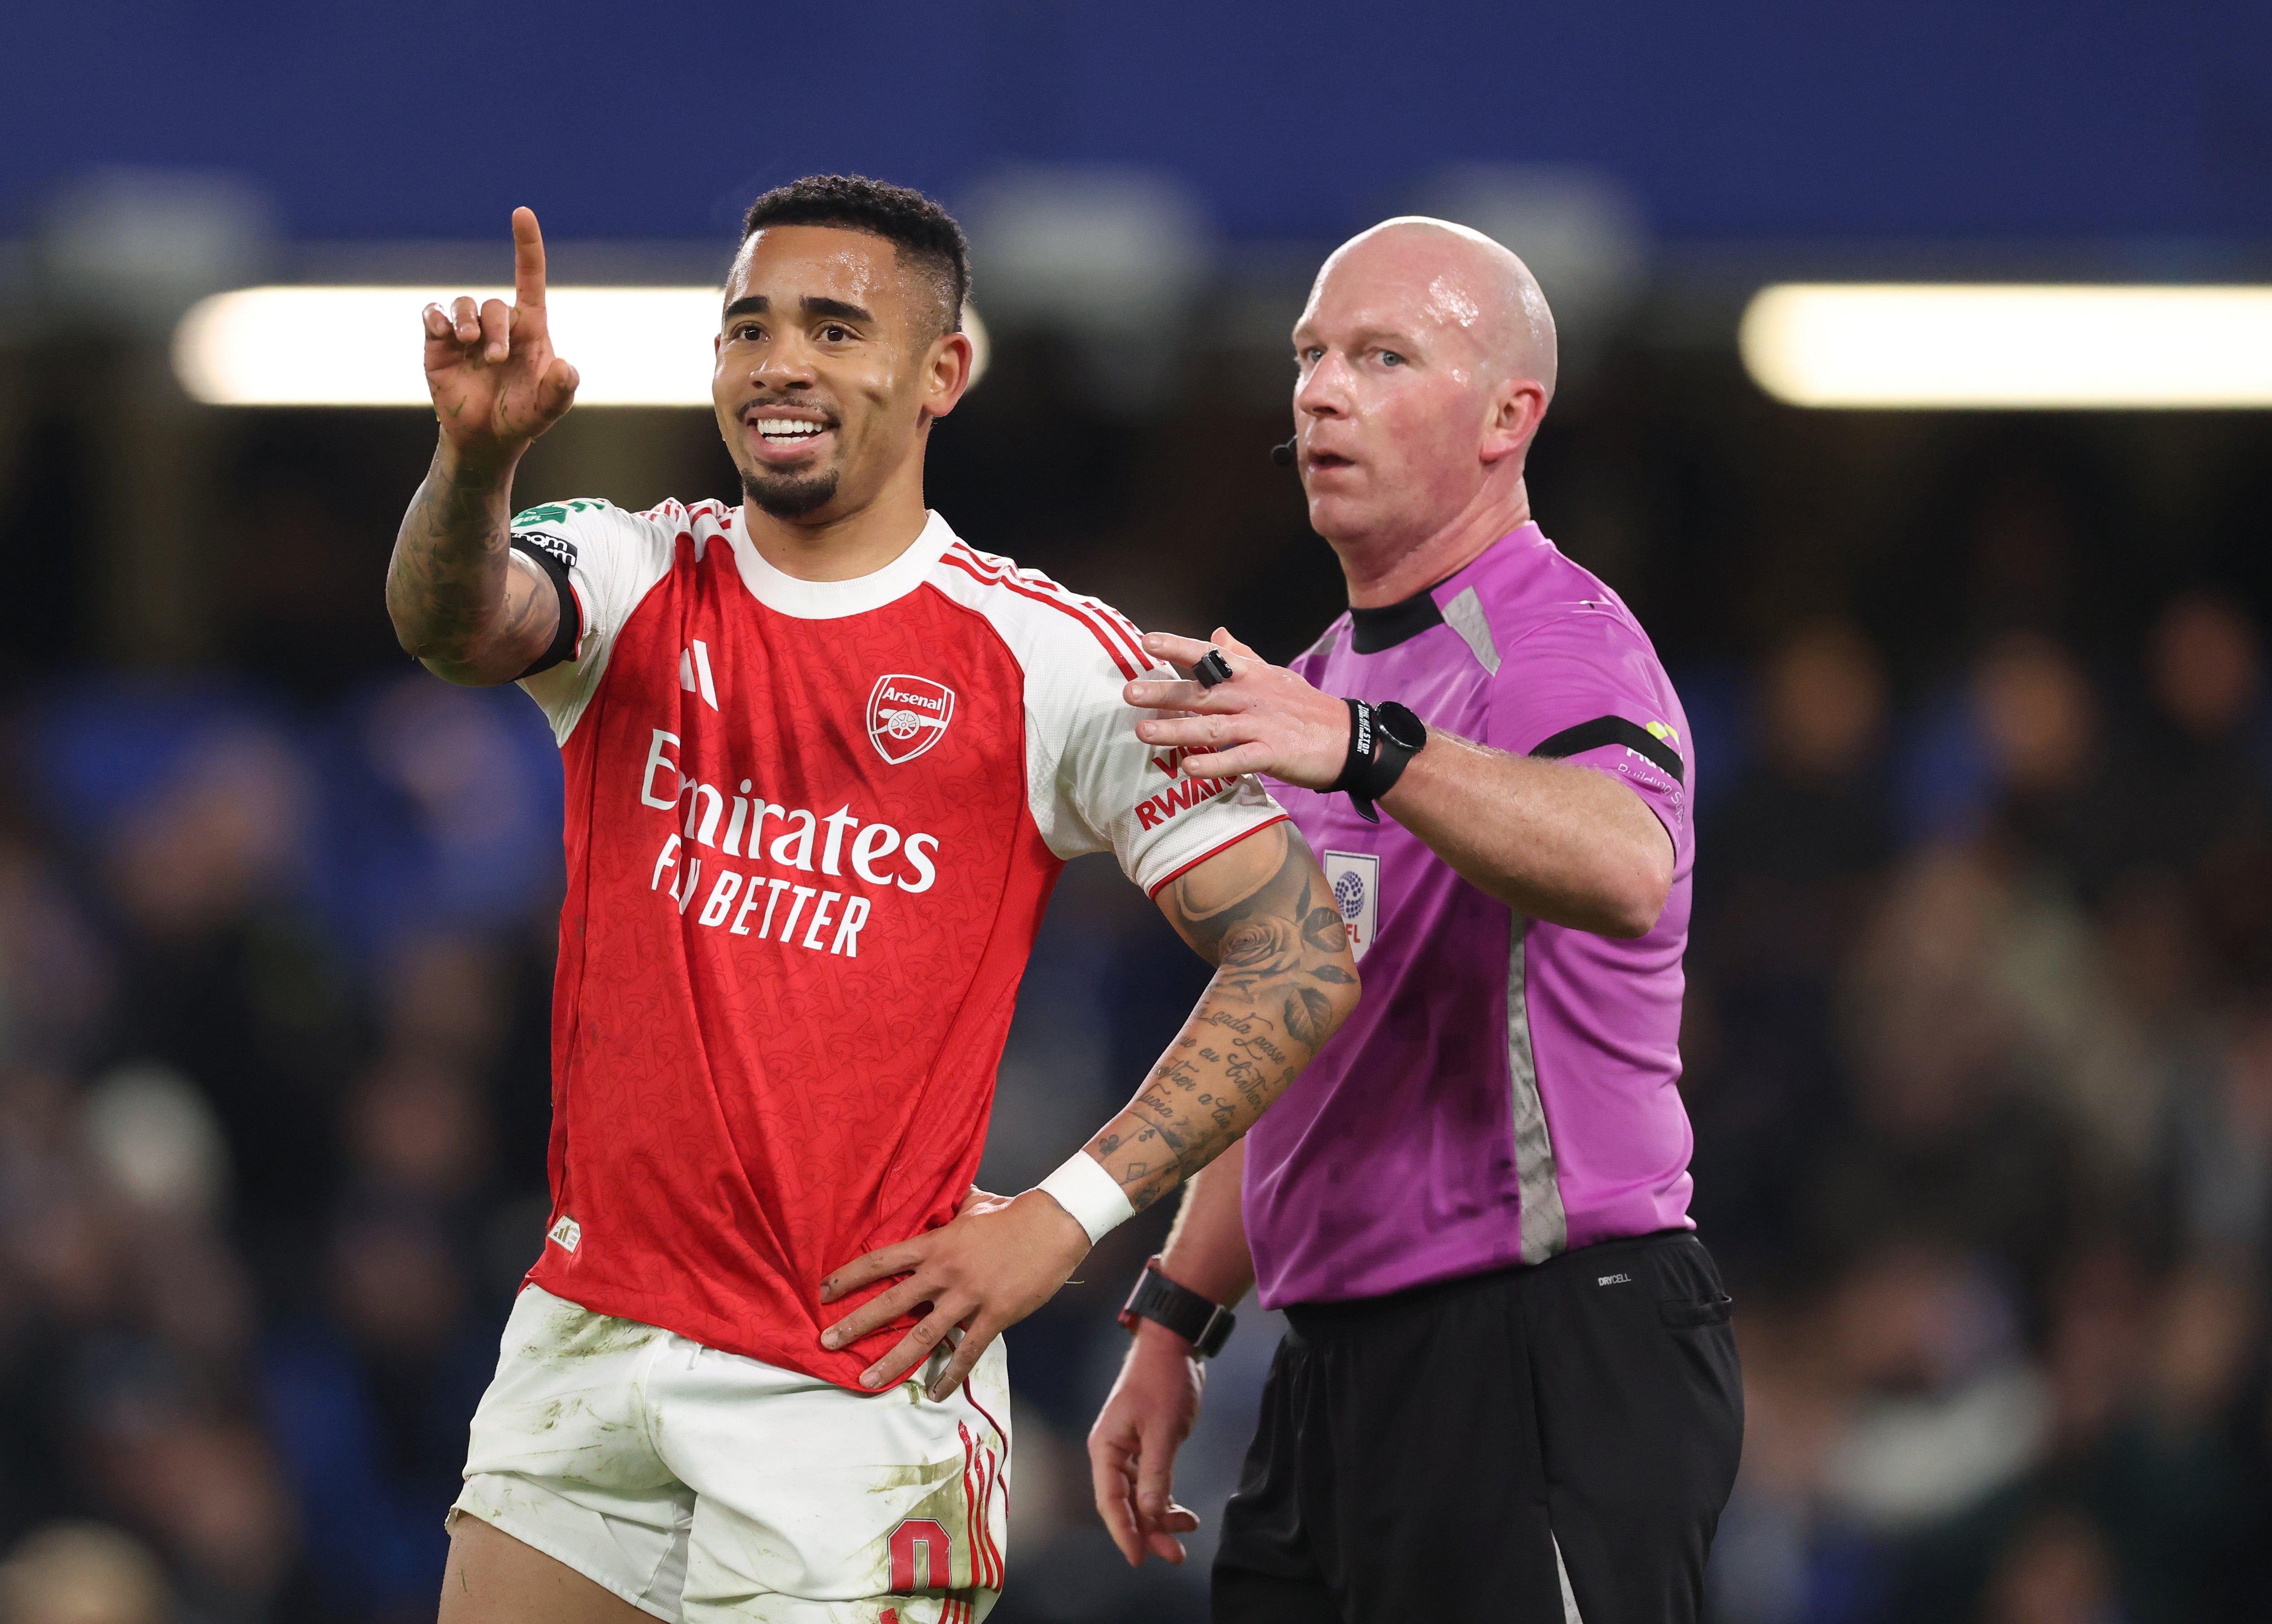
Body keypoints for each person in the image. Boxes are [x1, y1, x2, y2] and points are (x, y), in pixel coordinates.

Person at [383, 175, 1359, 1624]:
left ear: (940, 373)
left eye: (835, 330)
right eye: (749, 328)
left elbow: (1300, 956)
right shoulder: (633, 566)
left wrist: (1063, 1217)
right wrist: (474, 464)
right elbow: (452, 626)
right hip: (590, 1339)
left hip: (852, 1391)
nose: (779, 363)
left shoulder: (1047, 657)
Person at [1088, 218, 1742, 1623]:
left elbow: (1624, 860)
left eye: (1383, 357)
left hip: (1541, 1346)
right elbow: (1297, 1036)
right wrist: (1174, 1320)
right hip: (1335, 1371)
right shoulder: (1314, 690)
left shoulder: (1553, 639)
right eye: (1310, 355)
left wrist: (1362, 749)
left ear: (1509, 418)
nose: (1321, 392)